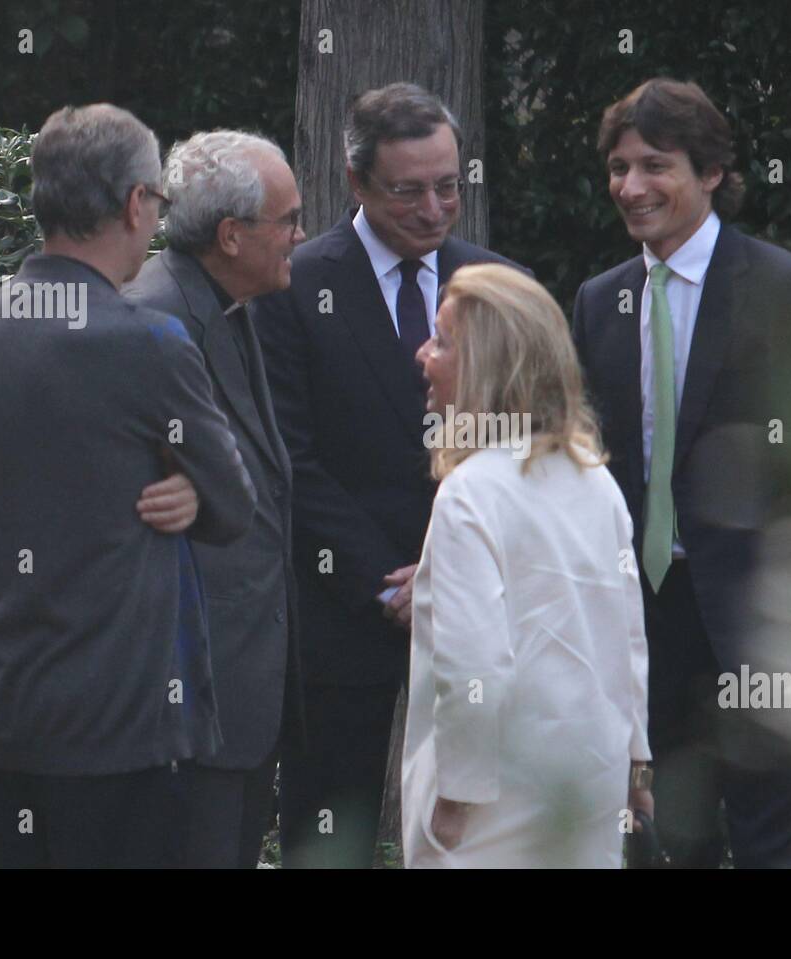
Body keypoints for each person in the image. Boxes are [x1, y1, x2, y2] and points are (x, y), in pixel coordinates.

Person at [572, 77, 791, 868]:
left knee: (773, 838)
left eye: (654, 164)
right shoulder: (597, 302)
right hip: (640, 623)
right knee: (657, 835)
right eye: (618, 167)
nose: (631, 186)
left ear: (710, 171)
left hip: (760, 625)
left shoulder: (787, 291)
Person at [0, 104, 257, 868]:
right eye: (157, 201)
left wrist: (184, 489)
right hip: (118, 724)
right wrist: (191, 492)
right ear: (133, 203)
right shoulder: (147, 339)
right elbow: (234, 505)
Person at [251, 82, 525, 868]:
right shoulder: (295, 285)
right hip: (345, 610)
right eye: (409, 191)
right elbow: (290, 458)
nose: (436, 209)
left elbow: (520, 443)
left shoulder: (498, 282)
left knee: (476, 834)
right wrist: (389, 582)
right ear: (357, 183)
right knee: (327, 832)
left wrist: (446, 572)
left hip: (477, 608)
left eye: (449, 185)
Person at [401, 263, 652, 868]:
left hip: (493, 808)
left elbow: (474, 666)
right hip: (587, 788)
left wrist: (455, 798)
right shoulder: (597, 483)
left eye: (442, 340)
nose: (422, 355)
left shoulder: (469, 495)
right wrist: (637, 768)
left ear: (488, 364)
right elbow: (629, 643)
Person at [124, 130, 306, 868]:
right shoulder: (157, 321)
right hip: (185, 700)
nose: (301, 234)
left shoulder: (233, 305)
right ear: (231, 236)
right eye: (289, 220)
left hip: (238, 692)